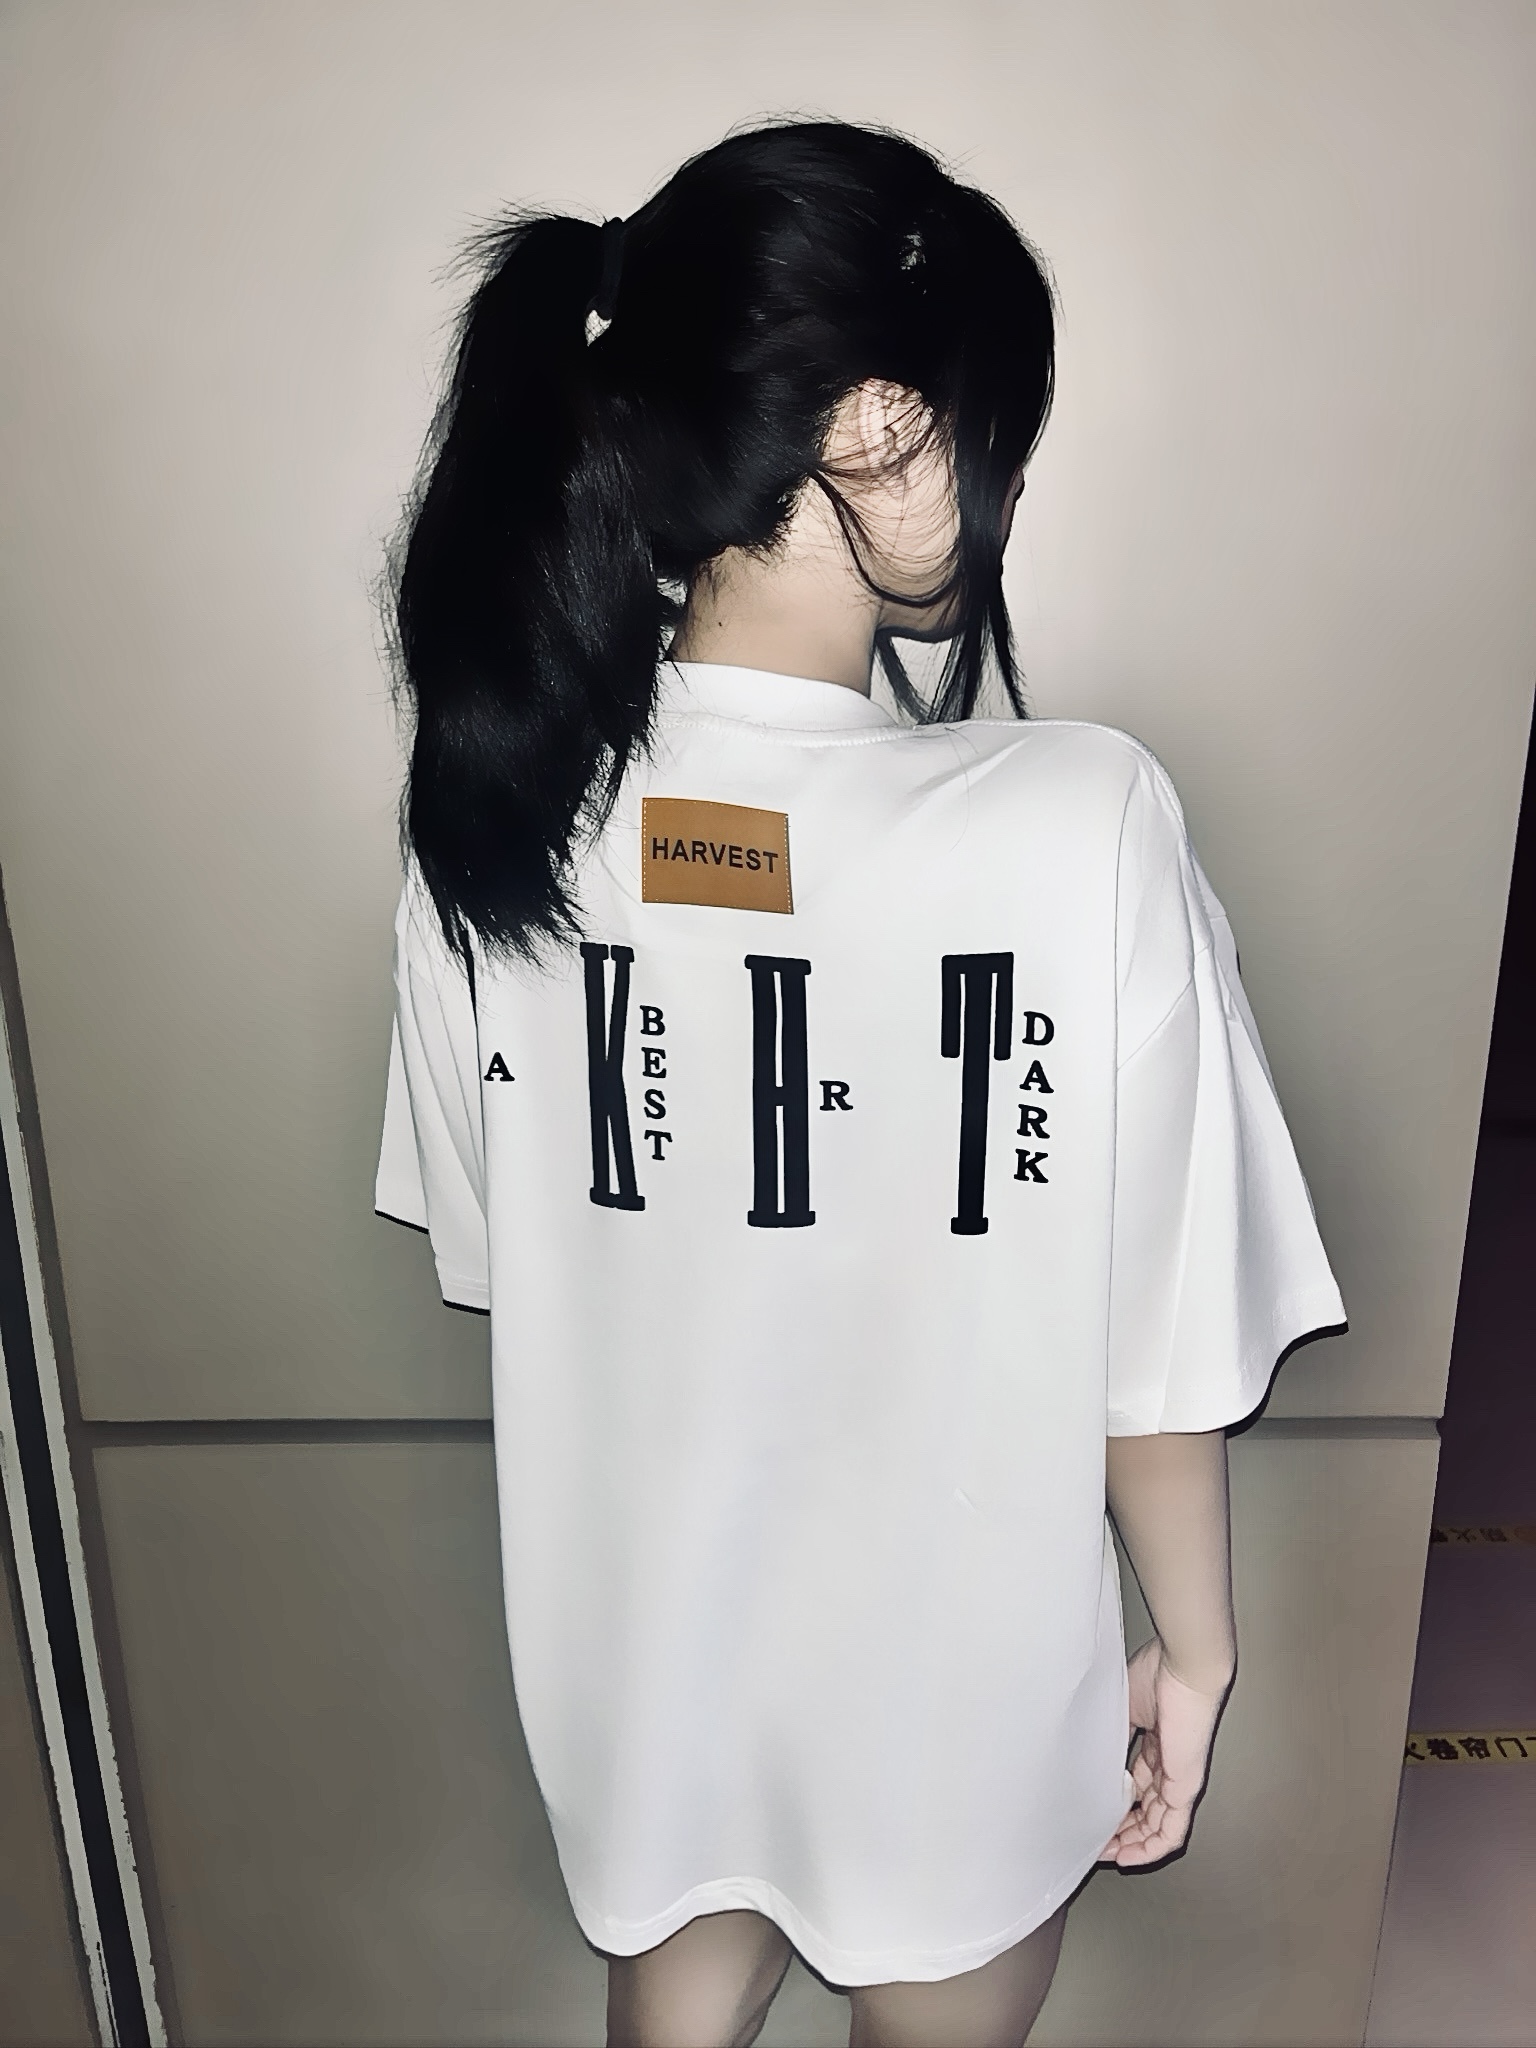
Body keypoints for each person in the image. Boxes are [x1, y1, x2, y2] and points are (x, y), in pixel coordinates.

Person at [374, 119, 1345, 2048]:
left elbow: (506, 1263)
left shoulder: (494, 825)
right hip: (948, 1717)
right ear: (881, 427)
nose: (1001, 489)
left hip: (647, 1696)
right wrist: (1195, 1645)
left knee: (674, 1993)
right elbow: (1152, 1340)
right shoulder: (1080, 819)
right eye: (991, 435)